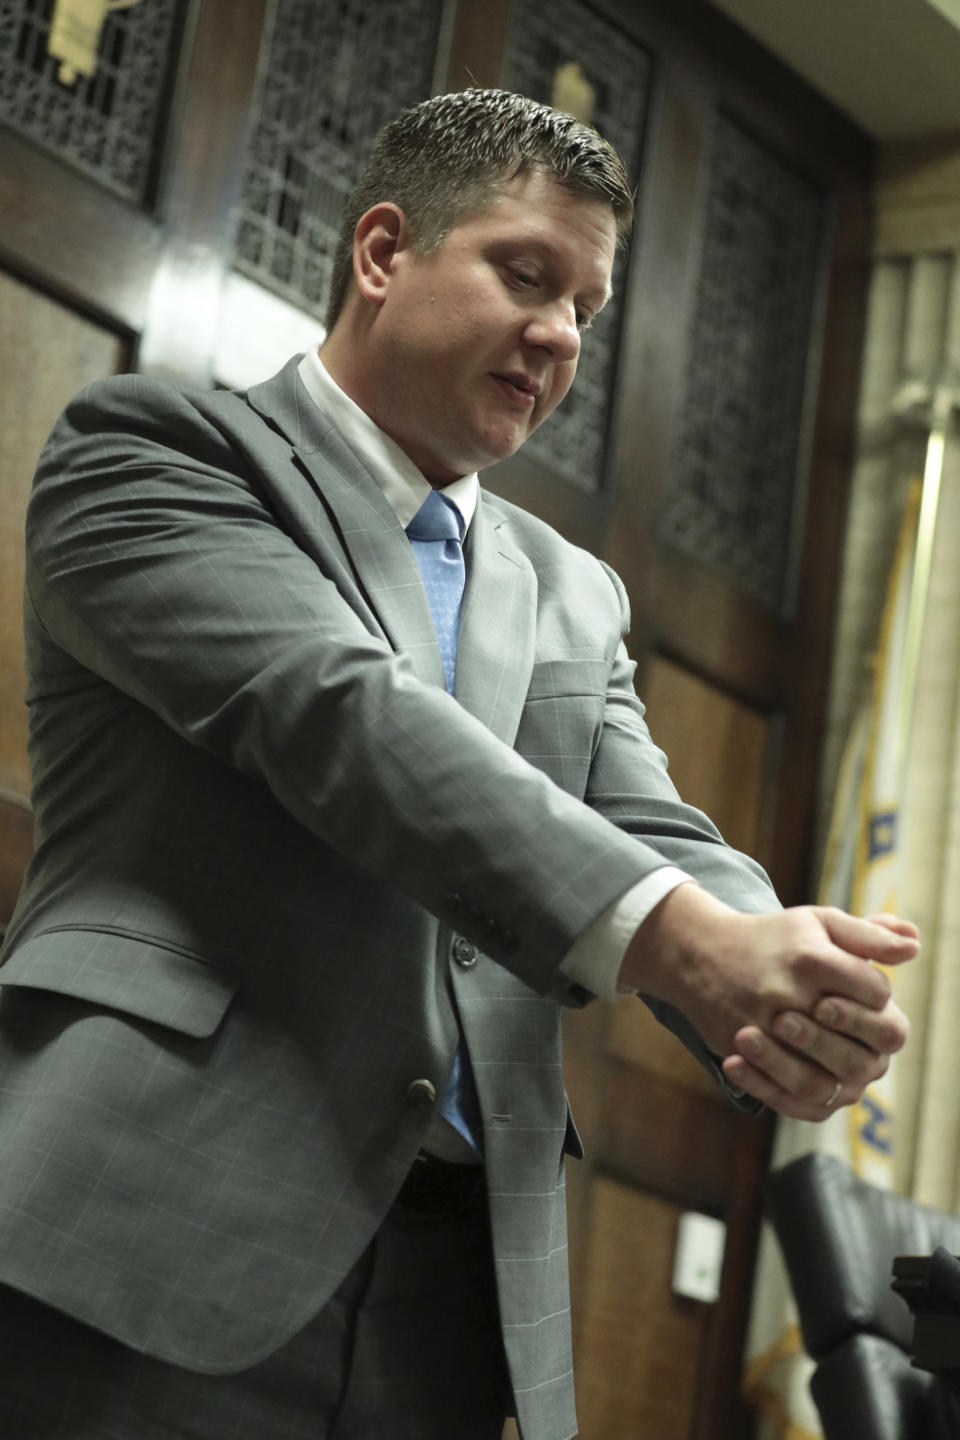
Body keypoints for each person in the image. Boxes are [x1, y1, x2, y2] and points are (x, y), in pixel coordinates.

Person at [0, 88, 915, 1440]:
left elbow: (646, 821)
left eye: (587, 313)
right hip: (150, 1241)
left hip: (459, 1309)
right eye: (525, 274)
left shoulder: (573, 591)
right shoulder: (160, 453)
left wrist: (782, 975)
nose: (558, 336)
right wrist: (683, 941)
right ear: (383, 254)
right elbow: (339, 716)